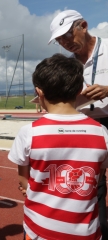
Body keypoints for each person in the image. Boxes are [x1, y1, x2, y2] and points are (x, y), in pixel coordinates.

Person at [9, 54, 108, 240]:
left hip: (39, 230)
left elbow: (23, 180)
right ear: (80, 89)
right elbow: (97, 178)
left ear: (39, 92)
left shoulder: (29, 132)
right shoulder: (101, 132)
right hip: (87, 231)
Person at [49, 10, 108, 238]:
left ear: (83, 25)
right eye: (59, 40)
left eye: (67, 36)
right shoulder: (69, 65)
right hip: (88, 124)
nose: (65, 43)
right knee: (93, 184)